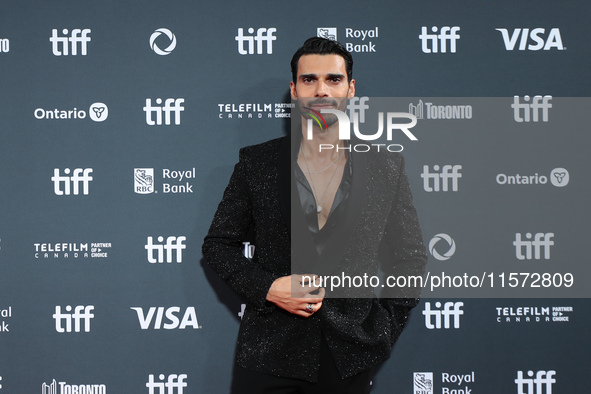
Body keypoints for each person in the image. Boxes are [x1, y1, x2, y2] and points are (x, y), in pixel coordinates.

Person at [202, 37, 427, 393]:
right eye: (309, 80)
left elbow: (411, 258)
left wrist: (381, 330)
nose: (321, 90)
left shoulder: (386, 167)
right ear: (294, 90)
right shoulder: (256, 164)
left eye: (333, 79)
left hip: (349, 357)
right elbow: (218, 245)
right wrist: (269, 288)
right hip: (269, 356)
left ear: (350, 88)